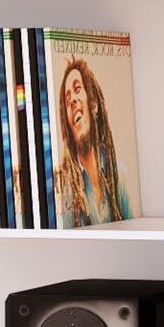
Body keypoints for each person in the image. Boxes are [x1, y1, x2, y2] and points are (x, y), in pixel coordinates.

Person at [53, 56, 130, 225]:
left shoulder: (119, 176)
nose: (72, 100)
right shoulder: (64, 193)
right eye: (67, 99)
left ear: (94, 105)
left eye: (78, 89)